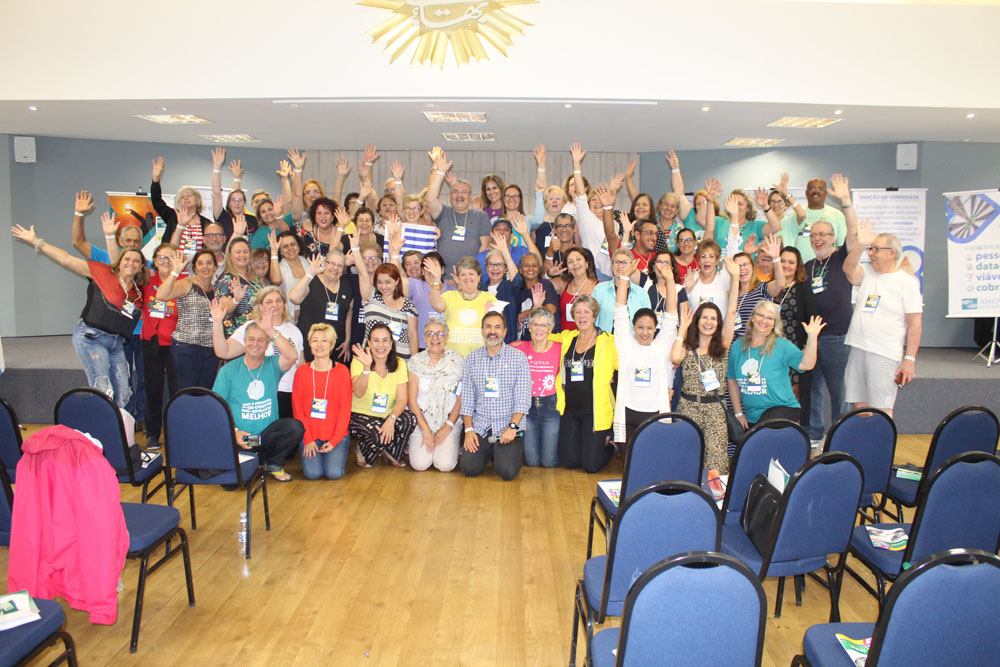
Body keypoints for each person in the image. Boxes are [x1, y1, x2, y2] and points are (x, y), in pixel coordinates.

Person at [12, 222, 147, 408]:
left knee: (124, 393)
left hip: (116, 343)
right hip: (91, 337)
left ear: (141, 266)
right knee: (103, 389)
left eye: (136, 261)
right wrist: (37, 242)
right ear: (120, 261)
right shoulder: (102, 272)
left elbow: (150, 315)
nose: (131, 263)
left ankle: (120, 434)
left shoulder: (138, 294)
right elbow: (66, 259)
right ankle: (100, 434)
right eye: (127, 259)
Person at [843, 220, 923, 418]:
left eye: (876, 249)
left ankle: (882, 448)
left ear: (891, 252)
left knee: (881, 410)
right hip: (858, 348)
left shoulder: (907, 282)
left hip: (884, 353)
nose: (871, 253)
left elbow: (915, 324)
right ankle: (863, 448)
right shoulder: (868, 273)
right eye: (870, 249)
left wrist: (909, 360)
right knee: (860, 408)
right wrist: (860, 245)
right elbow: (848, 270)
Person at [804, 174, 860, 439]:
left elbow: (854, 233)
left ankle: (840, 435)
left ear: (832, 237)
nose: (818, 238)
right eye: (814, 235)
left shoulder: (840, 259)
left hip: (838, 337)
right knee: (812, 390)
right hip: (812, 339)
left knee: (840, 391)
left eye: (823, 234)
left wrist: (846, 202)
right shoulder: (808, 267)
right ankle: (814, 433)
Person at [211, 318, 301, 482]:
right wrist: (235, 432)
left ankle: (272, 464)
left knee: (295, 427)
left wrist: (271, 331)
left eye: (261, 340)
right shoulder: (228, 370)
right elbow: (215, 409)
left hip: (265, 438)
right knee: (233, 484)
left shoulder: (273, 365)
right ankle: (254, 462)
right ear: (245, 342)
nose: (256, 344)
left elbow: (292, 355)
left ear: (268, 345)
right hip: (241, 439)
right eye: (251, 339)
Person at [670, 263, 740, 473]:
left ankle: (715, 503)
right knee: (685, 461)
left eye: (713, 318)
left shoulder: (723, 346)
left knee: (716, 466)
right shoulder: (687, 346)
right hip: (687, 408)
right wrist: (683, 327)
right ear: (697, 320)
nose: (709, 322)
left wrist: (735, 278)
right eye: (704, 317)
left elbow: (732, 311)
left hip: (715, 412)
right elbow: (674, 358)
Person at [459, 312, 531, 481]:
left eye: (498, 327)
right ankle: (491, 451)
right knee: (468, 468)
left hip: (508, 426)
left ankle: (499, 453)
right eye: (488, 327)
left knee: (507, 472)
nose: (493, 331)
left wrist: (512, 427)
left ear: (505, 332)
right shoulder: (472, 359)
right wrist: (469, 431)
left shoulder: (518, 358)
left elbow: (523, 398)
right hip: (481, 425)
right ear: (482, 331)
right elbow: (468, 399)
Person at [728, 301, 824, 429]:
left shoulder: (781, 345)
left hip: (781, 407)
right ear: (752, 317)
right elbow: (732, 380)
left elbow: (806, 365)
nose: (764, 320)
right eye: (761, 315)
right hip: (753, 415)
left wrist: (812, 337)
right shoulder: (737, 347)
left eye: (770, 318)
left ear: (774, 324)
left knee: (762, 434)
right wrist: (738, 413)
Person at [212, 286, 304, 419]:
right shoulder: (252, 327)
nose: (275, 305)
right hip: (265, 394)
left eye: (278, 301)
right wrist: (217, 323)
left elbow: (300, 363)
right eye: (269, 302)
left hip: (291, 393)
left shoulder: (294, 330)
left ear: (284, 304)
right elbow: (223, 352)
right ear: (260, 306)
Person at [613, 259, 678, 444]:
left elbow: (671, 316)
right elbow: (620, 310)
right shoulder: (626, 345)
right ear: (633, 327)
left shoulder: (661, 347)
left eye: (649, 328)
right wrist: (625, 276)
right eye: (640, 327)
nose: (644, 332)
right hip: (627, 414)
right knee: (629, 468)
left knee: (652, 464)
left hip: (655, 415)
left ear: (656, 329)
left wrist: (670, 280)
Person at [553, 295, 617, 472]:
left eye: (586, 312)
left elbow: (623, 367)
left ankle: (612, 446)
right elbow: (541, 336)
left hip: (595, 411)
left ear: (594, 316)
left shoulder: (608, 341)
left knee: (591, 466)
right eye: (578, 312)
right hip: (570, 409)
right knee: (570, 462)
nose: (582, 316)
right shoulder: (566, 338)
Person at [349, 323, 418, 468]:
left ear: (392, 343)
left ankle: (385, 449)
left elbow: (402, 399)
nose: (381, 345)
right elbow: (358, 392)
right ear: (369, 343)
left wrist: (391, 419)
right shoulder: (359, 361)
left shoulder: (399, 363)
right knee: (377, 435)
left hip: (386, 415)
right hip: (361, 415)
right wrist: (366, 368)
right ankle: (365, 448)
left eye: (385, 340)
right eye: (376, 340)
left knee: (409, 419)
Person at [292, 324, 352, 480]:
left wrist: (334, 440)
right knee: (313, 474)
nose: (319, 345)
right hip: (310, 435)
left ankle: (335, 447)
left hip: (335, 435)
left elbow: (345, 410)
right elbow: (297, 409)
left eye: (324, 341)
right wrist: (308, 438)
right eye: (315, 340)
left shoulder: (342, 371)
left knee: (334, 474)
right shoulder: (302, 372)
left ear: (332, 345)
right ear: (309, 344)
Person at [157, 248, 220, 389]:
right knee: (185, 393)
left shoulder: (217, 289)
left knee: (205, 393)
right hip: (187, 348)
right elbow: (161, 295)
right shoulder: (186, 284)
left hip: (211, 350)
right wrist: (175, 272)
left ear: (215, 267)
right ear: (195, 268)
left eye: (209, 263)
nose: (205, 267)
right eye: (200, 263)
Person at [407, 318, 465, 472]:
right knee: (419, 465)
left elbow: (461, 399)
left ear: (446, 338)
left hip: (449, 419)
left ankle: (452, 443)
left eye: (440, 334)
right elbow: (412, 401)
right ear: (424, 338)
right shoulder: (415, 362)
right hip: (422, 419)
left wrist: (448, 426)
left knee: (445, 465)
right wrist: (425, 430)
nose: (435, 338)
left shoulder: (457, 362)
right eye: (430, 334)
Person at [140, 242, 180, 450]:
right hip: (151, 343)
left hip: (176, 345)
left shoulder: (183, 282)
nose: (166, 261)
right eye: (161, 257)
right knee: (153, 390)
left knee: (177, 391)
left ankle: (176, 433)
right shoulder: (147, 280)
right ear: (154, 261)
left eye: (170, 257)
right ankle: (153, 434)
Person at [771, 245, 817, 423]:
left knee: (794, 396)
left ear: (798, 266)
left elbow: (811, 318)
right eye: (782, 261)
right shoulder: (771, 287)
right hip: (772, 351)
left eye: (791, 262)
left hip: (794, 350)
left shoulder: (803, 288)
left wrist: (807, 347)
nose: (786, 265)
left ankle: (794, 435)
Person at [512, 308, 562, 467]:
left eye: (544, 325)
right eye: (535, 324)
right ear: (529, 327)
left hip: (551, 406)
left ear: (550, 329)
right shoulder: (518, 347)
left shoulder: (560, 348)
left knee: (548, 462)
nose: (539, 329)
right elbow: (496, 349)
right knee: (532, 462)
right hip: (528, 408)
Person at [425, 148, 490, 268]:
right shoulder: (443, 213)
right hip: (443, 276)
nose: (459, 195)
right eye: (455, 191)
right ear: (450, 196)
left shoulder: (481, 215)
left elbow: (484, 247)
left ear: (470, 196)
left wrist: (472, 273)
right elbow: (430, 199)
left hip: (469, 277)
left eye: (464, 192)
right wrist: (440, 172)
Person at [289, 250, 354, 363]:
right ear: (324, 263)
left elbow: (349, 313)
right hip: (311, 345)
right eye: (332, 263)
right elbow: (294, 298)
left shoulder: (346, 285)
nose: (335, 268)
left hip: (336, 346)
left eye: (339, 265)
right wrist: (310, 273)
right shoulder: (312, 280)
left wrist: (347, 340)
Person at [425, 256, 495, 356]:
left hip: (480, 358)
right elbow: (437, 305)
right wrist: (436, 280)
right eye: (463, 275)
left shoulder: (489, 298)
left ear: (479, 277)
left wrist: (490, 318)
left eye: (471, 274)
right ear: (458, 278)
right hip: (452, 359)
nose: (467, 278)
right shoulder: (449, 295)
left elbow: (497, 328)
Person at [770, 177, 847, 263]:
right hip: (801, 269)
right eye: (812, 188)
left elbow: (842, 247)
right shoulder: (795, 214)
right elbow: (779, 229)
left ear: (825, 193)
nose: (816, 191)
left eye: (820, 188)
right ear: (806, 193)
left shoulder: (837, 215)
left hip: (828, 268)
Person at [151, 156, 213, 252]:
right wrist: (156, 180)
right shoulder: (173, 216)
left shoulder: (206, 223)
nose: (185, 198)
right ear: (179, 203)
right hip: (174, 263)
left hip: (197, 264)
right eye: (182, 197)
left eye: (189, 195)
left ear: (197, 201)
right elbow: (157, 202)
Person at [358, 261, 419, 359]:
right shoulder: (371, 298)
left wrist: (415, 362)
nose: (383, 286)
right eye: (379, 282)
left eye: (388, 282)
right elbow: (362, 274)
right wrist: (355, 248)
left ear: (397, 281)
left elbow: (413, 335)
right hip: (372, 359)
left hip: (401, 360)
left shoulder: (408, 305)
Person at [732, 235, 785, 339]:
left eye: (746, 265)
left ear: (753, 267)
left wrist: (776, 258)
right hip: (733, 347)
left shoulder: (761, 288)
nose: (742, 268)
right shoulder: (732, 293)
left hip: (755, 345)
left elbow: (780, 284)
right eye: (738, 266)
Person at [590, 247, 651, 334]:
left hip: (632, 342)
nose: (620, 266)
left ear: (632, 266)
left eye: (624, 262)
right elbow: (591, 317)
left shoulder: (641, 293)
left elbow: (647, 321)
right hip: (605, 341)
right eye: (617, 262)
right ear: (611, 265)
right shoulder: (599, 289)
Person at [215, 237, 263, 337]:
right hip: (236, 338)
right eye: (238, 252)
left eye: (245, 251)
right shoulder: (226, 279)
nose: (242, 255)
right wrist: (236, 300)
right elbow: (222, 307)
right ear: (230, 256)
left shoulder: (254, 278)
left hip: (256, 334)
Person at [211, 148, 258, 241]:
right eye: (233, 200)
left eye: (240, 200)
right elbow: (216, 193)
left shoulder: (253, 220)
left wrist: (237, 178)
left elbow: (236, 193)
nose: (237, 203)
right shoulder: (223, 217)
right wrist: (217, 167)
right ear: (229, 203)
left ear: (244, 203)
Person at [685, 239, 737, 318]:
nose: (707, 260)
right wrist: (687, 290)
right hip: (695, 329)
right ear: (698, 261)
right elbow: (682, 308)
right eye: (703, 257)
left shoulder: (725, 278)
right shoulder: (691, 277)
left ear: (717, 260)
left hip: (720, 328)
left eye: (711, 256)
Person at [514, 252, 559, 340]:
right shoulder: (519, 291)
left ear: (539, 269)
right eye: (526, 265)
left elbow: (551, 309)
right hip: (526, 342)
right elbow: (518, 320)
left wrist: (527, 312)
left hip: (547, 340)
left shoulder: (544, 285)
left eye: (534, 265)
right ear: (520, 270)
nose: (530, 268)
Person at [558, 246, 598, 331]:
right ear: (567, 268)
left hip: (590, 339)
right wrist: (549, 274)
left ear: (587, 264)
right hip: (566, 340)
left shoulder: (599, 286)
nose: (575, 264)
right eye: (570, 261)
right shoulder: (563, 284)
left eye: (578, 259)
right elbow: (541, 282)